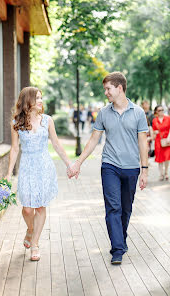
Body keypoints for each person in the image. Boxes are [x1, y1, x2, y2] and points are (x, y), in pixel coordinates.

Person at [67, 72, 148, 265]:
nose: (106, 92)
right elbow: (94, 139)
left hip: (131, 168)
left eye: (108, 88)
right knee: (114, 207)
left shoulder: (138, 112)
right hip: (109, 165)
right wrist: (78, 162)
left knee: (126, 209)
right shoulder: (104, 112)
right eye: (105, 89)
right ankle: (117, 249)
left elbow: (143, 142)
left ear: (119, 88)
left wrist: (144, 169)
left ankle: (121, 239)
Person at [5, 87, 71, 261]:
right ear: (28, 101)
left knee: (40, 207)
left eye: (41, 98)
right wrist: (8, 174)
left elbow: (56, 144)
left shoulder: (47, 120)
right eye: (38, 98)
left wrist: (69, 164)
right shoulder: (16, 122)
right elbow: (14, 148)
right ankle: (30, 229)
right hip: (26, 167)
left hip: (44, 166)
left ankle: (35, 243)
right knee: (27, 209)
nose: (41, 101)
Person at [152, 105, 170, 181]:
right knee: (159, 157)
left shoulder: (168, 118)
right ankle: (161, 174)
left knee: (167, 157)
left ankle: (166, 172)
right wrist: (155, 132)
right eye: (159, 110)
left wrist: (169, 138)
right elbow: (153, 130)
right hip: (158, 140)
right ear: (156, 112)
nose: (161, 111)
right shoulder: (154, 120)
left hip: (167, 139)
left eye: (162, 110)